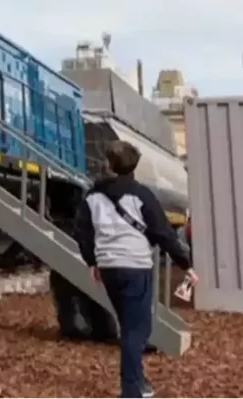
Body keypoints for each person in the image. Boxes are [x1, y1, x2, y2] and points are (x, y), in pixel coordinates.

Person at [74, 140, 198, 399]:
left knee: (129, 326)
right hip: (135, 267)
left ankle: (139, 382)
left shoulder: (92, 196)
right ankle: (131, 389)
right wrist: (185, 265)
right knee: (137, 330)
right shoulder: (142, 196)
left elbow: (82, 232)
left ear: (109, 164)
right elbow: (164, 234)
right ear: (134, 166)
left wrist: (92, 262)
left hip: (108, 268)